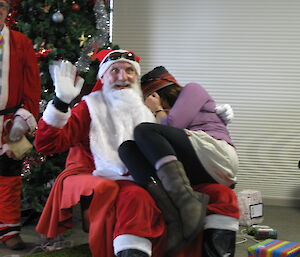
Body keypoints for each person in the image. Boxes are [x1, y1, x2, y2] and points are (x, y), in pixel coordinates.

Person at [34, 49, 238, 257]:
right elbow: (46, 144)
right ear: (103, 77)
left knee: (221, 194)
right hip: (117, 178)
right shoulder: (90, 107)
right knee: (137, 198)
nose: (123, 77)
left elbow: (179, 124)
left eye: (130, 71)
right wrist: (60, 102)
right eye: (115, 70)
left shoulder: (147, 105)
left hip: (161, 176)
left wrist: (214, 115)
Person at [118, 66, 239, 257]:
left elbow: (172, 125)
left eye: (148, 98)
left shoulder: (192, 89)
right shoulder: (166, 115)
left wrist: (157, 110)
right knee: (127, 148)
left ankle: (187, 204)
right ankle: (174, 216)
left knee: (144, 130)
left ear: (159, 94)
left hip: (218, 156)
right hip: (197, 163)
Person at [0, 0, 41, 251]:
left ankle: (8, 229)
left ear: (7, 11)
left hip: (9, 123)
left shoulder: (21, 43)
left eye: (1, 6)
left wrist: (23, 118)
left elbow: (32, 84)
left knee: (9, 177)